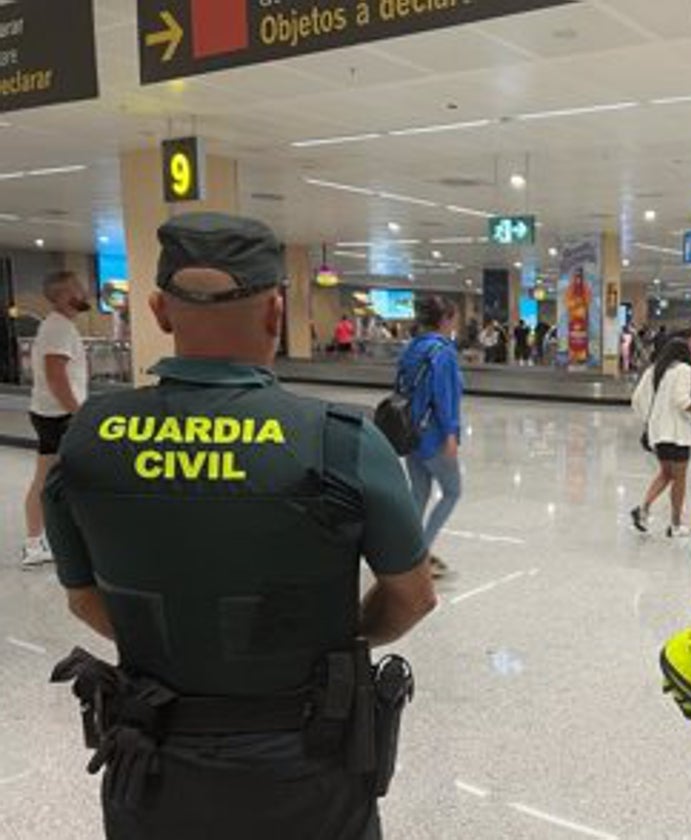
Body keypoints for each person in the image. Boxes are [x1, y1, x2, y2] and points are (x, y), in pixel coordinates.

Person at [43, 212, 438, 840]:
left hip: (152, 766)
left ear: (158, 311)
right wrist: (334, 637)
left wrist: (180, 650)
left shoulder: (88, 440)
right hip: (305, 769)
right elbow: (414, 597)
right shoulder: (341, 442)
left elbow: (84, 598)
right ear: (276, 313)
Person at [20, 270, 91, 569]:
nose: (85, 293)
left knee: (46, 478)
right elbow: (56, 376)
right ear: (64, 296)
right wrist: (79, 413)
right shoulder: (59, 328)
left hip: (49, 414)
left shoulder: (57, 325)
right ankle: (53, 541)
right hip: (60, 417)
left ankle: (35, 542)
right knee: (71, 479)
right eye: (79, 289)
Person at [397, 296, 464, 579]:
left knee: (419, 493)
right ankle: (419, 555)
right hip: (434, 435)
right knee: (452, 491)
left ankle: (404, 552)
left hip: (410, 432)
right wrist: (450, 433)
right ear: (446, 319)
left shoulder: (412, 348)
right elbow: (444, 396)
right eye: (455, 317)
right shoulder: (444, 352)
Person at [631, 338, 691, 538]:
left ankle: (643, 510)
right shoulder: (683, 369)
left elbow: (637, 400)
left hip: (658, 434)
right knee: (679, 479)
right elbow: (682, 399)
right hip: (676, 435)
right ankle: (675, 526)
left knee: (666, 474)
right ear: (684, 353)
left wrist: (650, 421)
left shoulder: (654, 370)